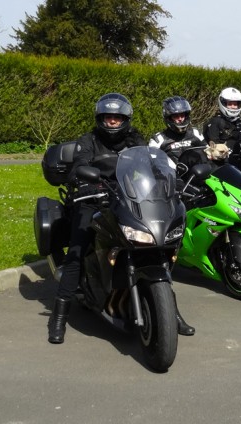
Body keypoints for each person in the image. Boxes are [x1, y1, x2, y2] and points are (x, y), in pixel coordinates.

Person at [47, 93, 151, 344]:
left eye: (117, 118)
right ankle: (59, 317)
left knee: (151, 244)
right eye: (108, 117)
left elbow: (150, 165)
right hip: (93, 198)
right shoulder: (89, 140)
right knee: (77, 250)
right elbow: (78, 166)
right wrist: (83, 181)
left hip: (129, 198)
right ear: (100, 118)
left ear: (125, 119)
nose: (112, 122)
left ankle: (171, 311)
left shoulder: (135, 139)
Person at [148, 96, 207, 175]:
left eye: (182, 115)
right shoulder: (158, 140)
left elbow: (208, 154)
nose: (180, 119)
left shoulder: (196, 133)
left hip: (196, 177)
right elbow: (152, 163)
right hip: (171, 178)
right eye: (176, 116)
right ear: (168, 118)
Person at [203, 87, 241, 164]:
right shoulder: (215, 122)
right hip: (220, 162)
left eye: (235, 104)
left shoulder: (239, 122)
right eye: (230, 104)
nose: (233, 107)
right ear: (223, 103)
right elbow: (215, 149)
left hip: (236, 160)